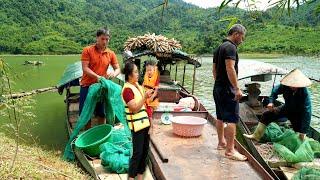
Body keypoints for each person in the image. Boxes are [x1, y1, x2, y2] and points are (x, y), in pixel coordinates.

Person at [244, 69, 312, 141]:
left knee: (299, 132)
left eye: (295, 85)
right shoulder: (285, 85)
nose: (292, 86)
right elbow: (274, 92)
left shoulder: (304, 93)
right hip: (287, 107)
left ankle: (299, 143)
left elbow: (307, 112)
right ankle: (256, 136)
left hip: (298, 113)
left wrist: (304, 131)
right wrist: (271, 102)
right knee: (267, 115)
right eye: (291, 84)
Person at [212, 24, 247, 161]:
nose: (242, 41)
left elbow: (214, 70)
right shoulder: (231, 47)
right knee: (232, 118)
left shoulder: (219, 48)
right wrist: (236, 88)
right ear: (237, 34)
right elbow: (230, 68)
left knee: (220, 116)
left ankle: (221, 142)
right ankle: (230, 151)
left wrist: (219, 83)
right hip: (228, 89)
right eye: (242, 37)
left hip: (218, 87)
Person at [79, 27, 120, 129]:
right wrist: (97, 76)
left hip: (101, 86)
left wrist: (114, 74)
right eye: (102, 39)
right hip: (87, 86)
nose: (105, 41)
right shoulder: (87, 50)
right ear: (97, 38)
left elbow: (118, 68)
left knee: (102, 113)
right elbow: (85, 68)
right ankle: (87, 137)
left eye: (107, 39)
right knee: (86, 115)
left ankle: (100, 134)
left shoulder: (111, 53)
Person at [122, 62, 153, 180]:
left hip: (145, 124)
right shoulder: (127, 90)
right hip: (136, 126)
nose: (138, 73)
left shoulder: (138, 86)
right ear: (129, 75)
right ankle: (131, 178)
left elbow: (146, 106)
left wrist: (151, 123)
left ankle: (140, 178)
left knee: (145, 153)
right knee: (137, 154)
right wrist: (145, 97)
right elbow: (134, 109)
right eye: (135, 71)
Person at [143, 60, 160, 134]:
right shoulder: (146, 75)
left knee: (149, 110)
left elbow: (156, 89)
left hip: (153, 97)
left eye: (150, 70)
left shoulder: (156, 77)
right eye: (147, 70)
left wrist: (152, 97)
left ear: (154, 69)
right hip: (146, 95)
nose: (149, 72)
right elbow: (143, 84)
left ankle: (151, 126)